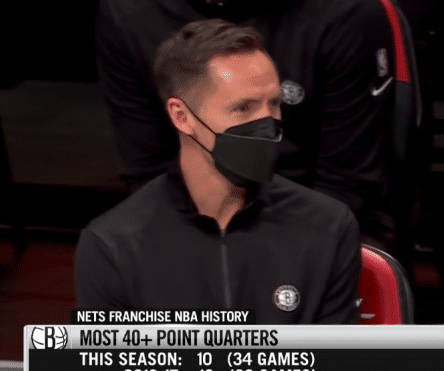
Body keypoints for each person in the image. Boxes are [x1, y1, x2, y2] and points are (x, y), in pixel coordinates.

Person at [75, 19, 360, 371]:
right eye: (244, 108)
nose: (268, 124)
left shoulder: (327, 227)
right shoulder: (112, 244)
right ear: (182, 116)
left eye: (274, 104)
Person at [95, 0, 398, 254]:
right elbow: (148, 170)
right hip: (195, 218)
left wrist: (256, 264)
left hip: (322, 215)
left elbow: (346, 184)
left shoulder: (348, 13)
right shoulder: (128, 14)